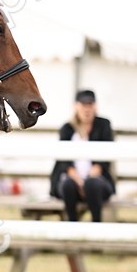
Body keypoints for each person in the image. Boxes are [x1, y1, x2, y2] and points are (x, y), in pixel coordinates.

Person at [49, 89, 115, 222]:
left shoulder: (103, 125)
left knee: (93, 184)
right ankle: (72, 225)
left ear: (95, 106)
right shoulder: (67, 128)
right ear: (76, 106)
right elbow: (64, 162)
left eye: (90, 105)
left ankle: (96, 224)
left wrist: (88, 180)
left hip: (96, 181)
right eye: (83, 105)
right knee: (68, 185)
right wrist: (79, 181)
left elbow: (105, 159)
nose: (87, 109)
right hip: (72, 180)